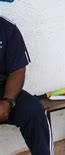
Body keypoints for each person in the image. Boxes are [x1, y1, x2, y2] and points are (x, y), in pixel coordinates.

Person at [0, 16, 54, 154]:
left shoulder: (7, 28)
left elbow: (18, 70)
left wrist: (7, 102)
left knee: (34, 110)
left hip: (3, 90)